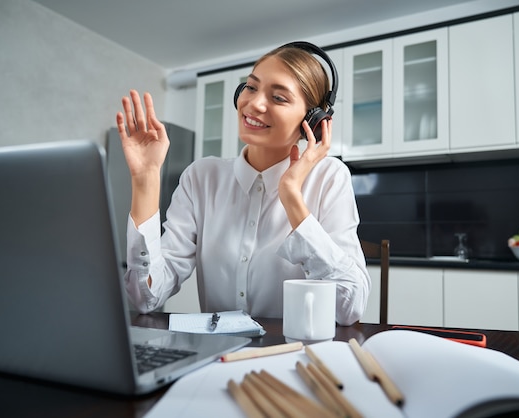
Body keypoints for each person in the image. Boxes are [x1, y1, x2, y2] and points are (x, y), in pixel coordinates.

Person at [116, 42, 370, 326]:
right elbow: (146, 297)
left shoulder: (330, 177)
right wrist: (146, 178)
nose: (254, 104)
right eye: (251, 87)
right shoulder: (202, 177)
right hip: (216, 357)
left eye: (278, 98)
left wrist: (291, 197)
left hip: (294, 355)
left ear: (312, 121)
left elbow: (350, 306)